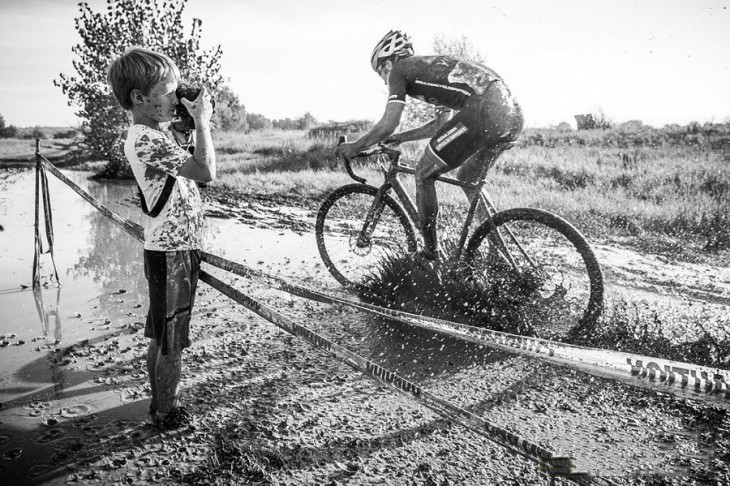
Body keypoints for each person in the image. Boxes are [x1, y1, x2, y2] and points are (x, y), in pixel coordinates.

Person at [335, 30, 524, 261]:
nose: (385, 78)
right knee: (468, 178)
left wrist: (355, 147)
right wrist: (402, 137)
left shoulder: (400, 70)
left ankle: (430, 255)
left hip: (485, 109)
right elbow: (439, 126)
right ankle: (499, 255)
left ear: (392, 59)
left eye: (382, 70)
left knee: (423, 173)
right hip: (511, 113)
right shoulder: (433, 68)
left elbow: (389, 123)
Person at [107, 46, 216, 430]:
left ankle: (158, 403)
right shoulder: (145, 138)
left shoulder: (155, 133)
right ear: (138, 98)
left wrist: (185, 115)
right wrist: (203, 123)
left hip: (169, 248)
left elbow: (184, 161)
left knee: (161, 336)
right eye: (167, 91)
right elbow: (205, 172)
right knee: (171, 342)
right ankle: (167, 412)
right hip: (171, 253)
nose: (175, 98)